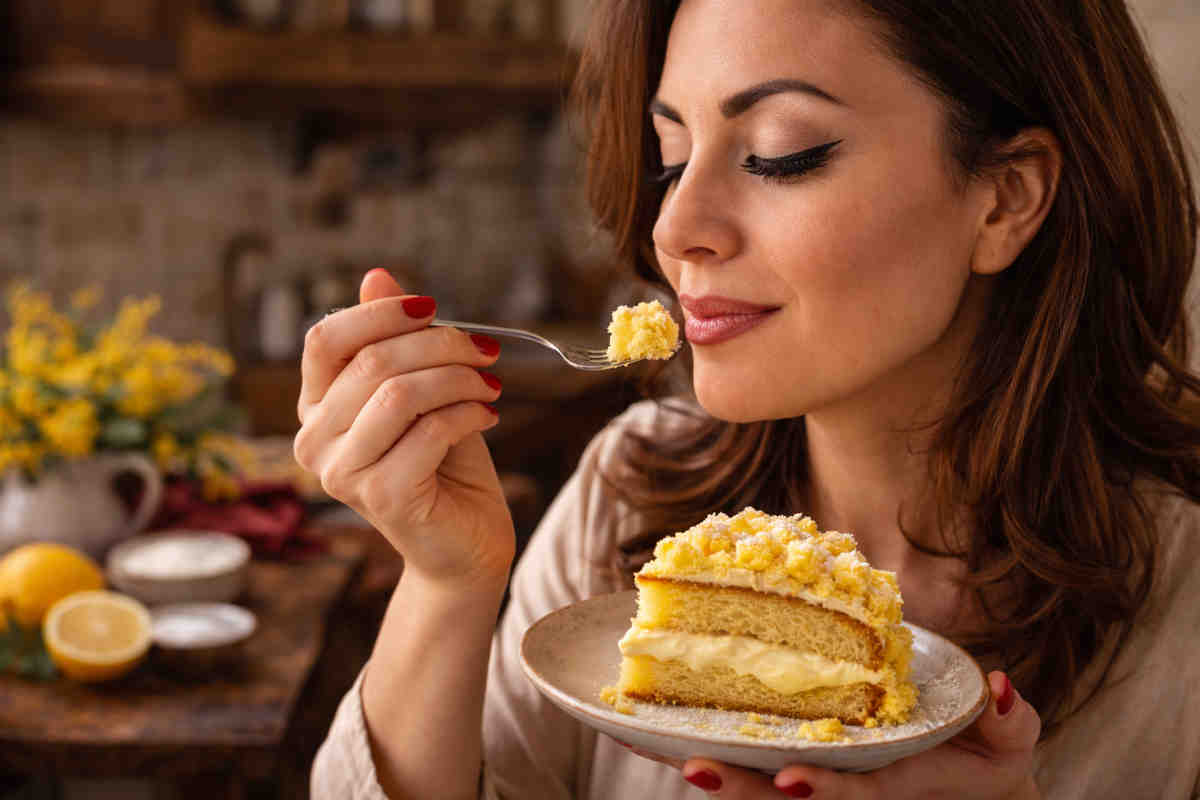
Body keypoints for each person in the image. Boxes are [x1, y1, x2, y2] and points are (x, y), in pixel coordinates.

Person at [302, 0, 1200, 796]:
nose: (674, 228)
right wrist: (448, 581)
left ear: (1005, 199)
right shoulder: (628, 492)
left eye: (780, 153)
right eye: (673, 155)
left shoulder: (1183, 603)